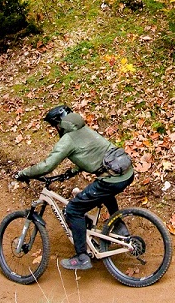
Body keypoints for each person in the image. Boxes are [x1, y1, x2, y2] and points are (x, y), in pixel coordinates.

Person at [14, 105, 134, 271]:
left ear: (58, 123)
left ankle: (82, 257)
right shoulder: (84, 130)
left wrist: (25, 173)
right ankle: (119, 225)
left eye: (54, 126)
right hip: (126, 171)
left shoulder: (68, 139)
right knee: (105, 191)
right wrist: (70, 172)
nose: (55, 129)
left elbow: (47, 166)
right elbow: (92, 154)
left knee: (73, 209)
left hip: (112, 178)